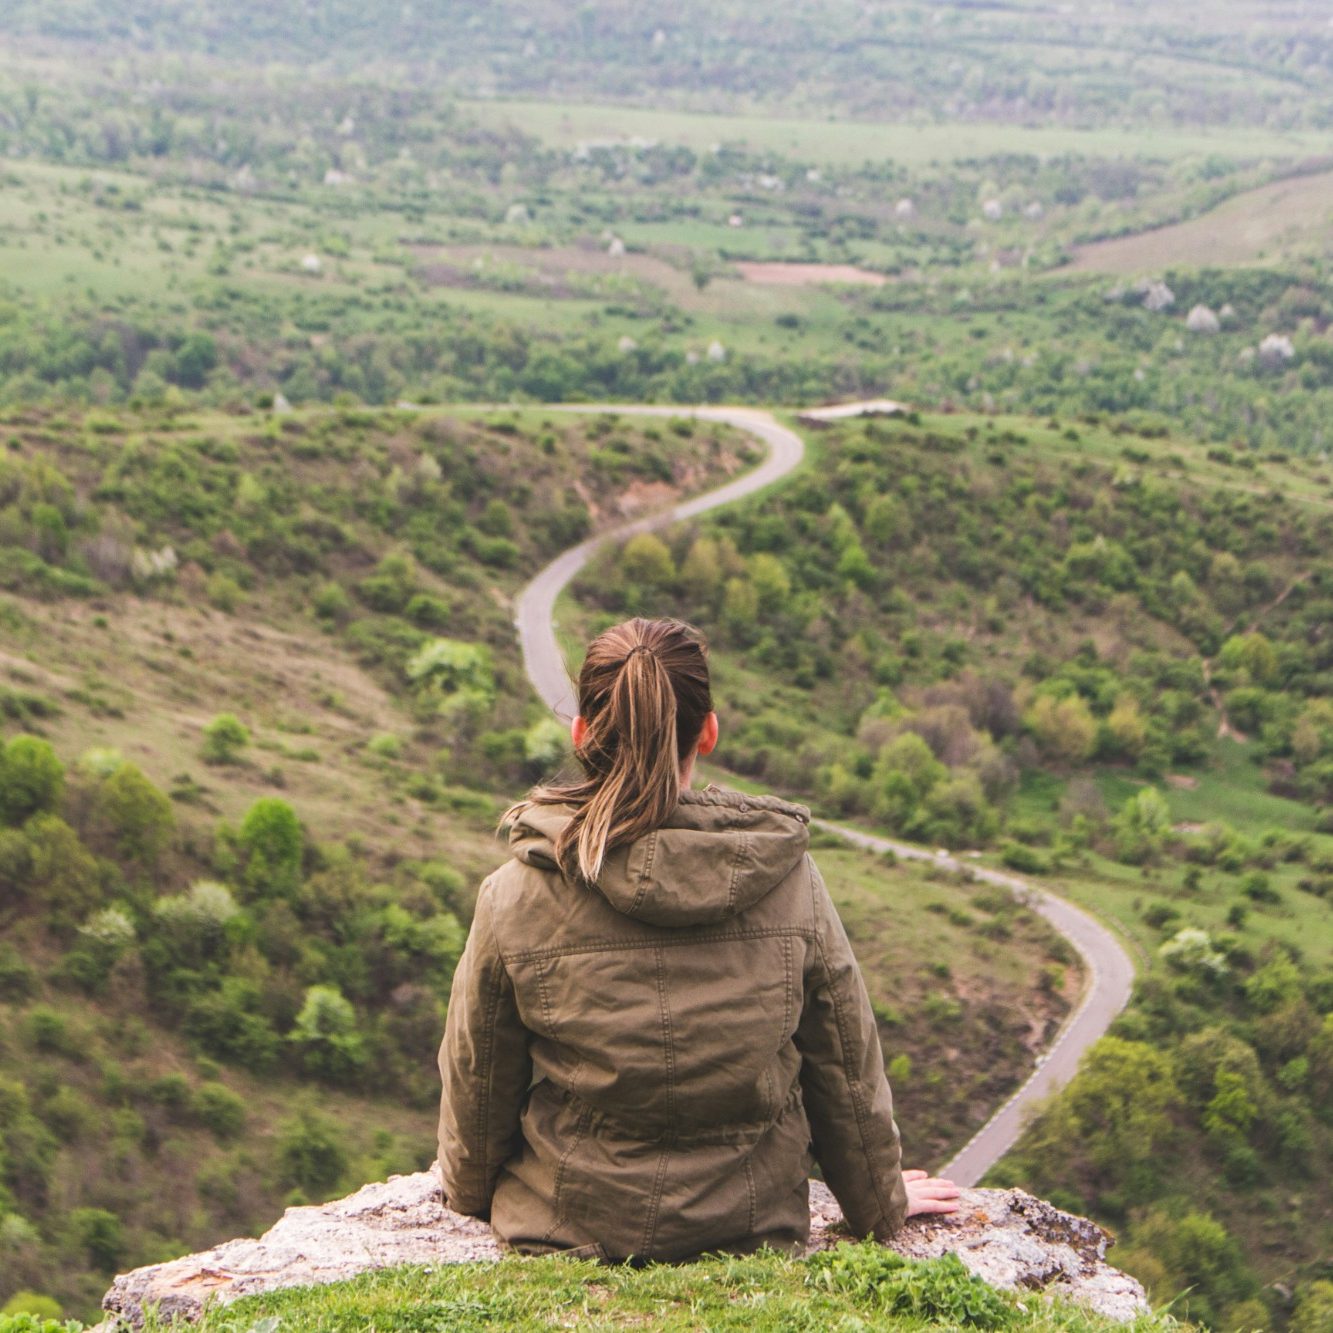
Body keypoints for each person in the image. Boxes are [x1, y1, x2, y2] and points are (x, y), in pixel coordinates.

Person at [437, 616, 958, 1261]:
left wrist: (465, 1194)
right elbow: (843, 1066)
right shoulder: (788, 880)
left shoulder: (514, 894)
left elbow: (479, 1076)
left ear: (581, 735)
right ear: (707, 731)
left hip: (564, 1227)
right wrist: (880, 1205)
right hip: (751, 1228)